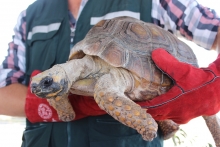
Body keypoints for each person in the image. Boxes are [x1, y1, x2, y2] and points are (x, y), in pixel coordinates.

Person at [0, 0, 220, 146]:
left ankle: (154, 123)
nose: (41, 89)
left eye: (47, 83)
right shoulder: (29, 16)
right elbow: (3, 93)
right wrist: (41, 103)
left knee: (105, 92)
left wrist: (216, 81)